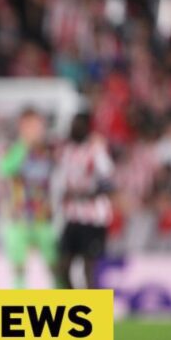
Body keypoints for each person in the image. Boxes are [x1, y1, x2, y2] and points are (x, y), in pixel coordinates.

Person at [0, 107, 58, 289]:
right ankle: (19, 306)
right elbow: (4, 170)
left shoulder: (50, 151)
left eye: (36, 125)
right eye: (29, 125)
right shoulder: (13, 149)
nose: (33, 129)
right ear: (21, 127)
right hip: (18, 218)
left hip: (43, 217)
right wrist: (24, 146)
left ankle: (63, 304)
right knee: (18, 268)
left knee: (55, 266)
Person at [55, 112, 115, 289]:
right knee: (62, 267)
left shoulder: (95, 150)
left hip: (93, 217)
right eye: (73, 124)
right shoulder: (66, 151)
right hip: (73, 216)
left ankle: (92, 312)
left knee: (89, 267)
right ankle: (74, 306)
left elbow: (108, 180)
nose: (75, 128)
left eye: (79, 124)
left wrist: (88, 192)